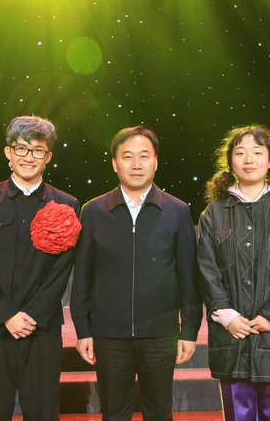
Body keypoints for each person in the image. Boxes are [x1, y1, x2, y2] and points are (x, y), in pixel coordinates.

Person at [70, 125, 202, 421]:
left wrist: (189, 330)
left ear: (156, 161)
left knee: (159, 412)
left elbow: (188, 275)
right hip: (109, 334)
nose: (136, 164)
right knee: (114, 413)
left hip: (161, 333)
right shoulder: (93, 211)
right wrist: (83, 329)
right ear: (115, 163)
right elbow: (83, 276)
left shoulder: (177, 210)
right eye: (127, 156)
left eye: (144, 156)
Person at [196, 125, 270, 421]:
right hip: (231, 336)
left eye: (257, 152)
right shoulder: (214, 212)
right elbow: (205, 268)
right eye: (240, 153)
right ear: (230, 162)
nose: (249, 159)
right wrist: (227, 316)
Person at [0, 115, 80, 421]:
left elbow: (62, 269)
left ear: (48, 157)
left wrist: (31, 316)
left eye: (37, 150)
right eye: (21, 148)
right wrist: (7, 314)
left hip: (41, 328)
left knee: (43, 411)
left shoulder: (66, 204)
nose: (28, 157)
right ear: (8, 152)